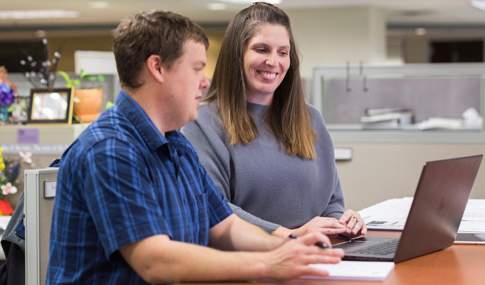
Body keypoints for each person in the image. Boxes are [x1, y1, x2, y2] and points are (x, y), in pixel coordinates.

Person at [46, 9, 344, 284]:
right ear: (157, 68)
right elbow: (154, 260)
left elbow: (225, 227)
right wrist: (268, 263)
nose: (205, 82)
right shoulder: (109, 149)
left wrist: (290, 246)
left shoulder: (176, 144)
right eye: (197, 69)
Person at [183, 3, 367, 238]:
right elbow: (213, 208)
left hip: (316, 254)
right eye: (261, 49)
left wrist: (342, 223)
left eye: (283, 52)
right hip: (252, 260)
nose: (273, 61)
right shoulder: (203, 122)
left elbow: (331, 203)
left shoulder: (311, 119)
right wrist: (289, 235)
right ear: (236, 54)